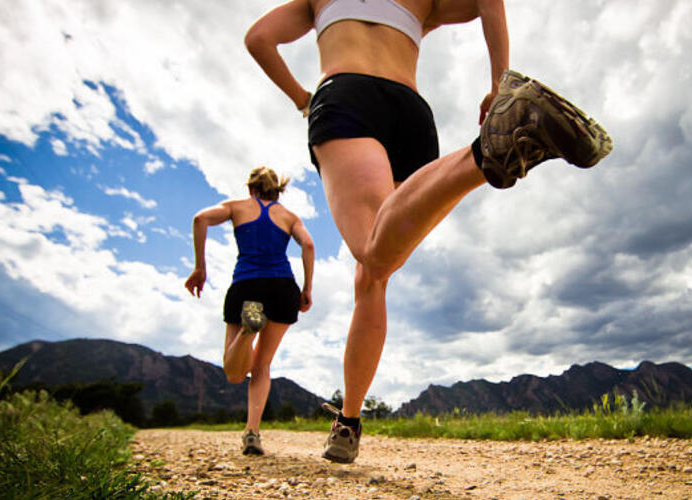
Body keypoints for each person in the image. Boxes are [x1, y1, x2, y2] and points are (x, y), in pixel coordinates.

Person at [245, 0, 611, 463]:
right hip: (411, 112)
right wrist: (499, 82)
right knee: (373, 277)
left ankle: (484, 155)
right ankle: (349, 423)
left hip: (345, 95)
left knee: (372, 253)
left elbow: (258, 39)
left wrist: (303, 99)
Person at [185, 166, 314, 456]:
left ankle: (246, 332)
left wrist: (200, 267)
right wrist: (307, 288)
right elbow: (308, 243)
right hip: (283, 288)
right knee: (262, 366)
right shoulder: (289, 216)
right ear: (277, 189)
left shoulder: (236, 207)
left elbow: (200, 218)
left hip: (247, 287)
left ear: (250, 188)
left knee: (234, 373)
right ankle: (252, 433)